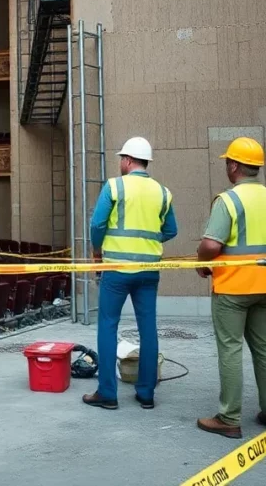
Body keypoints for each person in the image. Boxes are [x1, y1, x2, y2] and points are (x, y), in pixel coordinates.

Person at [196, 137, 266, 439]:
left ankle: (229, 417)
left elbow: (211, 244)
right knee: (264, 347)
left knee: (230, 348)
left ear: (234, 165)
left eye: (228, 162)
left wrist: (201, 261)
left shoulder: (229, 201)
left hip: (232, 288)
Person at [82, 136, 178, 410]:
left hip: (117, 269)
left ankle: (107, 393)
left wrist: (97, 253)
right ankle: (146, 393)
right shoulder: (163, 192)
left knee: (108, 325)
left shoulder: (115, 186)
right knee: (148, 329)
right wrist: (148, 244)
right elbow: (171, 230)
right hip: (149, 270)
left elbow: (97, 224)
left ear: (127, 160)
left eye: (121, 159)